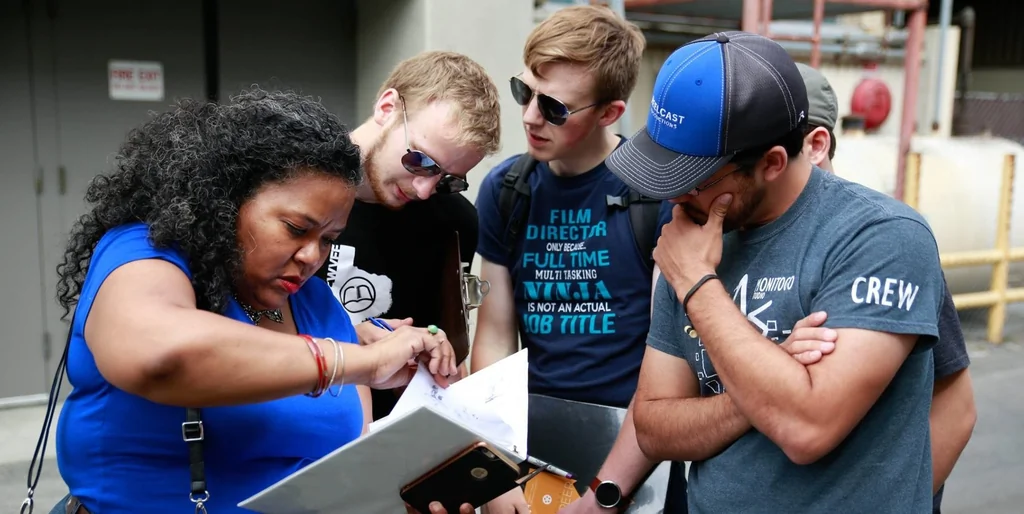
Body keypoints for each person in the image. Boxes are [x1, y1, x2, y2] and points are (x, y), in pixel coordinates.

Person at [49, 88, 464, 514]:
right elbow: (163, 355)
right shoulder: (146, 251)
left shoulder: (315, 302)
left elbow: (346, 458)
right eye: (295, 228)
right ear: (227, 200)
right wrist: (359, 362)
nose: (310, 257)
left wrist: (403, 494)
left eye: (328, 240)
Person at [615, 32, 946, 512]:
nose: (673, 199)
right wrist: (770, 379)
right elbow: (653, 428)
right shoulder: (695, 234)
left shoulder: (882, 237)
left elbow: (806, 429)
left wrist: (697, 285)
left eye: (691, 180)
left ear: (771, 163)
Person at [471, 5, 663, 513]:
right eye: (524, 92)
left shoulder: (652, 195)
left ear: (609, 113)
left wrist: (607, 493)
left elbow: (669, 364)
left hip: (634, 445)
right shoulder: (506, 189)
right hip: (528, 441)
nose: (531, 116)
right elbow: (492, 338)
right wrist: (494, 467)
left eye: (555, 107)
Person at [797, 62, 977, 513]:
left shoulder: (881, 241)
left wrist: (896, 502)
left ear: (815, 145)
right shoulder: (730, 239)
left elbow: (956, 408)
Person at [313, 50, 501, 421]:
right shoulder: (297, 188)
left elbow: (440, 344)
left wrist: (437, 352)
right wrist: (354, 340)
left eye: (448, 179)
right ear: (387, 108)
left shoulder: (453, 218)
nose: (425, 188)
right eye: (421, 161)